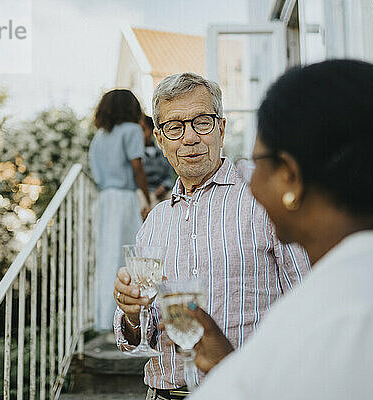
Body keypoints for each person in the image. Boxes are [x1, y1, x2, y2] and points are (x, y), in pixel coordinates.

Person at [185, 60, 373, 399]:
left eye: (258, 165)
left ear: (291, 177)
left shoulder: (350, 318)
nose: (250, 185)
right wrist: (228, 365)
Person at [111, 72, 311, 399]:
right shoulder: (154, 222)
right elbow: (138, 339)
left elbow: (309, 302)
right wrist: (131, 313)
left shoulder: (265, 202)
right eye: (175, 127)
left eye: (201, 122)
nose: (189, 138)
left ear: (221, 128)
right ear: (160, 140)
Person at [89, 89, 151, 331]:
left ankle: (104, 319)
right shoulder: (132, 130)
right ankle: (127, 321)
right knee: (131, 257)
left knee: (107, 257)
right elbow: (137, 167)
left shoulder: (99, 137)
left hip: (104, 199)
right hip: (124, 199)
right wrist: (146, 197)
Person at [137, 113, 174, 214]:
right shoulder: (137, 156)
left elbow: (169, 176)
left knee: (172, 200)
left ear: (151, 131)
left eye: (143, 130)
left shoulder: (163, 153)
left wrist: (164, 187)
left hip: (161, 192)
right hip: (145, 192)